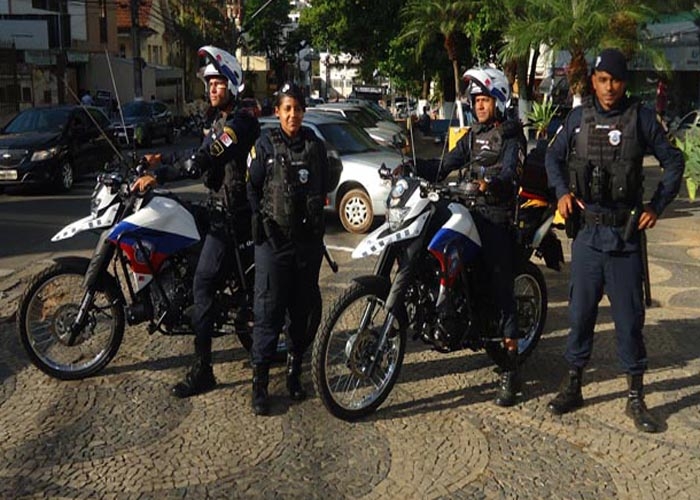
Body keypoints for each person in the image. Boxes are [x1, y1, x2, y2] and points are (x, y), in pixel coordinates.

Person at [544, 48, 685, 432]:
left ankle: (635, 397)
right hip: (588, 237)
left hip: (624, 239)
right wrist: (560, 192)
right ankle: (573, 385)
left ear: (625, 82)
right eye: (603, 80)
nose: (609, 88)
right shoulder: (576, 119)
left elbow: (674, 162)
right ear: (593, 81)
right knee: (580, 316)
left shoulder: (640, 119)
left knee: (628, 322)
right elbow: (551, 158)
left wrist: (656, 206)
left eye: (616, 80)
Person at [132, 45, 261, 398]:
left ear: (233, 84)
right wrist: (158, 159)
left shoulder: (241, 123)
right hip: (215, 208)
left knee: (203, 285)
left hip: (234, 218)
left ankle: (203, 371)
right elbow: (197, 148)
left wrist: (166, 173)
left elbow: (205, 156)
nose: (212, 89)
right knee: (174, 225)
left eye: (218, 83)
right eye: (209, 84)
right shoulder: (215, 120)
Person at [418, 67, 527, 407]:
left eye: (485, 100)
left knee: (500, 287)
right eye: (476, 100)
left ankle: (510, 369)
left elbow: (511, 173)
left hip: (495, 218)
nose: (480, 106)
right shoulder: (472, 135)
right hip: (467, 212)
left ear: (498, 99)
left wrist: (491, 184)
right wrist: (410, 165)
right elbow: (445, 164)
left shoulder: (511, 135)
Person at [246, 82, 331, 415]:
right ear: (278, 112)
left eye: (297, 108)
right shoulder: (264, 147)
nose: (292, 114)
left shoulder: (315, 146)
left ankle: (295, 375)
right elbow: (253, 188)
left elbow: (326, 183)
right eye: (287, 108)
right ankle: (260, 386)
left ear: (303, 111)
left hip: (306, 245)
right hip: (274, 245)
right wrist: (260, 222)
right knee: (267, 315)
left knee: (300, 315)